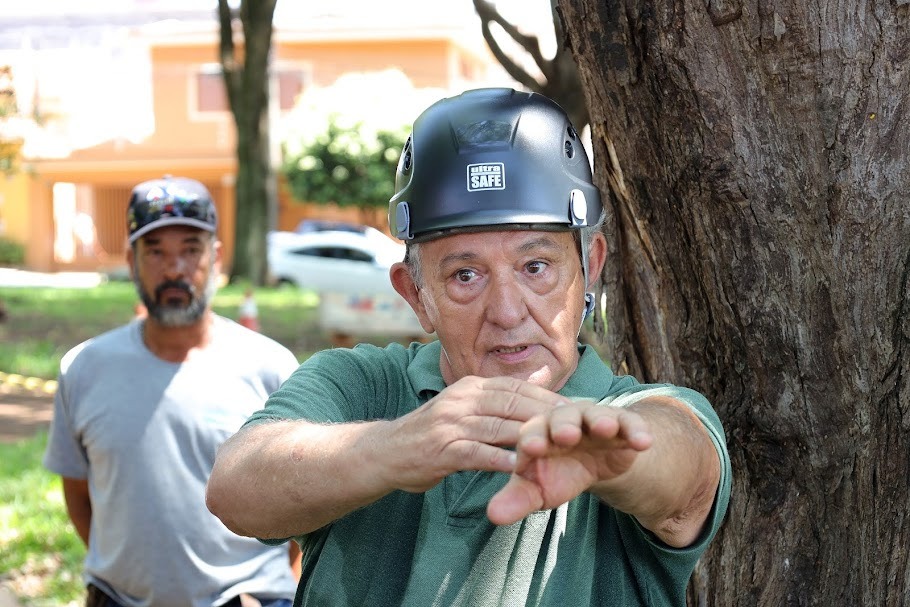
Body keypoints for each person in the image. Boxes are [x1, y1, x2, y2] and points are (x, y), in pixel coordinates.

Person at [206, 89, 732, 606]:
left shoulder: (629, 411)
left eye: (536, 267)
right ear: (415, 294)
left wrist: (616, 460)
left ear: (589, 268)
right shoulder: (361, 387)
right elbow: (234, 490)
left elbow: (685, 475)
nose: (507, 310)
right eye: (465, 274)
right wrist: (392, 450)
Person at [43, 176, 301, 607]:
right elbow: (80, 495)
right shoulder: (84, 369)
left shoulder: (271, 369)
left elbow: (298, 501)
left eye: (190, 249)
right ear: (131, 261)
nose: (175, 269)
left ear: (215, 259)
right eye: (156, 252)